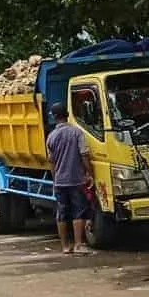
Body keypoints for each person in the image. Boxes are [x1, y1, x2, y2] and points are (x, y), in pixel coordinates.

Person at [45, 102, 95, 255]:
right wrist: (89, 173)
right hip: (76, 180)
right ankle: (79, 245)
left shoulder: (51, 137)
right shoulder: (76, 132)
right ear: (67, 115)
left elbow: (51, 162)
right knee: (78, 212)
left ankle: (65, 246)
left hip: (60, 181)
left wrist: (55, 180)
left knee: (62, 214)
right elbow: (84, 154)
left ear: (54, 117)